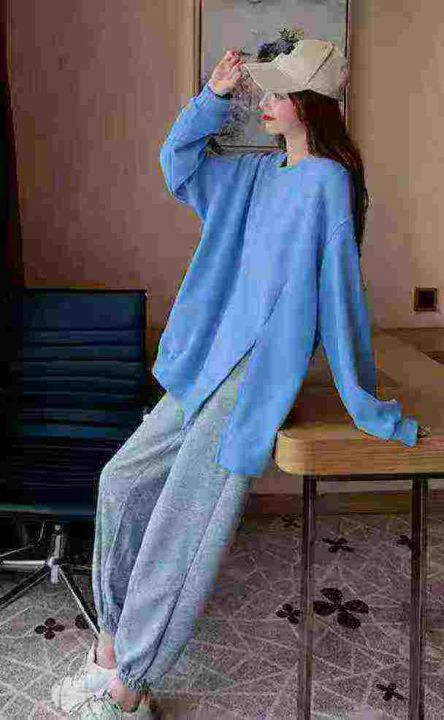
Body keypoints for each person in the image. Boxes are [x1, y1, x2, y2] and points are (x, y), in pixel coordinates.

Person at [50, 38, 426, 720]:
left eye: (277, 92)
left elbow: (340, 294)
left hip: (255, 377)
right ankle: (111, 644)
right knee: (121, 482)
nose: (264, 102)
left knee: (182, 526)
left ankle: (128, 686)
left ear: (309, 103)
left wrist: (361, 395)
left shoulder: (328, 184)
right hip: (207, 361)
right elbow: (178, 165)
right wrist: (211, 98)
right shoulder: (257, 173)